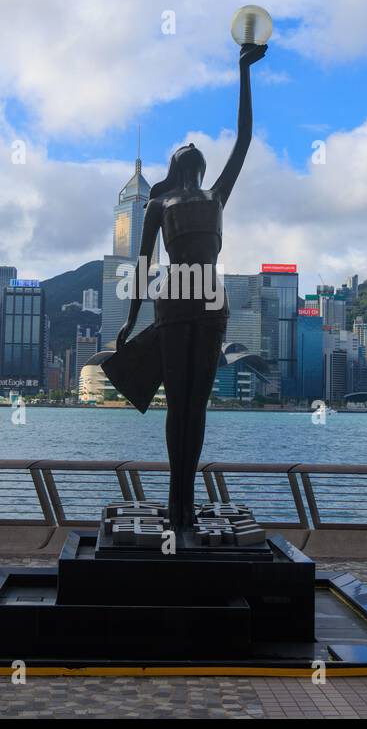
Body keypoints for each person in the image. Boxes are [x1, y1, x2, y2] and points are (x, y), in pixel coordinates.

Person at [105, 39, 267, 530]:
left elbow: (243, 139)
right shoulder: (158, 204)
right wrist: (131, 320)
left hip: (211, 304)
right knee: (177, 404)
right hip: (173, 302)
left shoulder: (219, 194)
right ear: (178, 167)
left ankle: (186, 502)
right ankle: (177, 505)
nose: (194, 149)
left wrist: (244, 71)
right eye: (185, 151)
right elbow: (142, 262)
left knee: (196, 407)